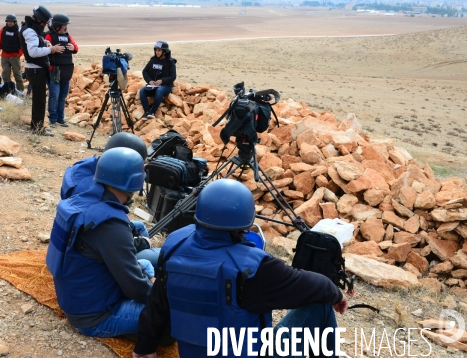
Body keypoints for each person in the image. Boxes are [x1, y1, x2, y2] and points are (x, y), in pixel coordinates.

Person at [132, 179, 348, 358]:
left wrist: (144, 348)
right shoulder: (254, 267)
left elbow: (157, 304)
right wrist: (336, 293)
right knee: (320, 305)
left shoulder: (174, 246)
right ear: (245, 224)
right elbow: (312, 285)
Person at [46, 147, 153, 338]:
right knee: (169, 316)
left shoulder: (86, 200)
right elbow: (135, 288)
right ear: (133, 183)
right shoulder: (111, 225)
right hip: (96, 317)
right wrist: (162, 298)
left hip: (77, 298)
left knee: (144, 265)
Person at [60, 132, 160, 268]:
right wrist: (142, 243)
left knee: (139, 227)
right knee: (156, 258)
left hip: (77, 239)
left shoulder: (85, 167)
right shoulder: (97, 194)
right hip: (92, 254)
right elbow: (107, 234)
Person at [18, 6, 65, 136]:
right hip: (35, 70)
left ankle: (37, 126)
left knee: (39, 100)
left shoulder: (31, 28)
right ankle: (38, 128)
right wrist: (52, 49)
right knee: (39, 100)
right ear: (40, 20)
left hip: (36, 69)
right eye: (44, 22)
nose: (45, 25)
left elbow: (38, 40)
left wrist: (46, 43)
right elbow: (33, 52)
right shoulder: (30, 31)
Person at [44, 13, 78, 128]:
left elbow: (76, 46)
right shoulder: (49, 36)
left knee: (63, 96)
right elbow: (44, 46)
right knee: (54, 95)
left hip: (67, 70)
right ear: (58, 25)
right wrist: (52, 48)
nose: (66, 27)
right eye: (64, 25)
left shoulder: (68, 36)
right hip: (55, 70)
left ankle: (60, 118)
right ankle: (52, 118)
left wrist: (73, 48)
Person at [139, 40, 177, 120]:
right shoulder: (153, 60)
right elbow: (145, 71)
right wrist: (149, 81)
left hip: (166, 86)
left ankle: (153, 112)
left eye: (159, 50)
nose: (157, 52)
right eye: (156, 50)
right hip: (153, 85)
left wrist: (162, 80)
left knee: (159, 90)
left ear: (164, 51)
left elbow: (173, 76)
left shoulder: (170, 62)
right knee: (142, 91)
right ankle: (147, 112)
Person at [0, 14, 25, 93]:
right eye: (8, 21)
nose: (10, 23)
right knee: (5, 75)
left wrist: (19, 54)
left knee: (17, 75)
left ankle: (20, 92)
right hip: (4, 56)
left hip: (14, 56)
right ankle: (8, 91)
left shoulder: (18, 31)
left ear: (15, 22)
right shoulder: (3, 30)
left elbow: (23, 44)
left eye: (11, 21)